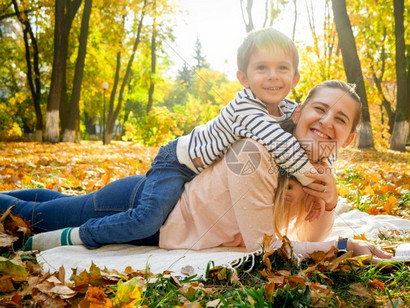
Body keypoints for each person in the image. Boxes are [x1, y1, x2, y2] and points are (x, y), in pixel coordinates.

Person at [1, 80, 392, 261]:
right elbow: (266, 249)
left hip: (159, 224)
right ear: (299, 111)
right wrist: (342, 246)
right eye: (319, 109)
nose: (326, 123)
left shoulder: (317, 170)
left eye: (340, 119)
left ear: (349, 138)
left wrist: (328, 200)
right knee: (32, 219)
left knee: (53, 205)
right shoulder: (254, 151)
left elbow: (303, 234)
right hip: (148, 210)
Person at [11, 28, 326, 250]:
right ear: (243, 78)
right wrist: (318, 182)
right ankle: (75, 237)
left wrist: (327, 176)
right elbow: (283, 145)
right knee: (145, 220)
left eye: (282, 68)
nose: (273, 76)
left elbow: (311, 141)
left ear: (295, 78)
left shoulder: (287, 110)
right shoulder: (247, 108)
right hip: (177, 163)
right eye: (262, 68)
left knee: (59, 203)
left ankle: (11, 193)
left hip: (189, 176)